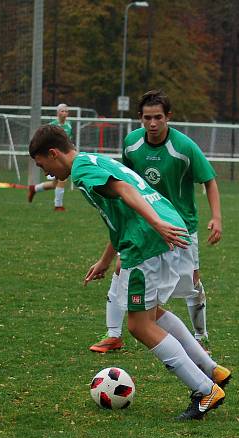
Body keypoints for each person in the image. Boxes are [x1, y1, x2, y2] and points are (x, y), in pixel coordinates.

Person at [28, 124, 226, 420]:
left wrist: (156, 224)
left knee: (138, 325)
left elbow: (125, 190)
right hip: (155, 231)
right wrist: (106, 259)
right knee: (153, 314)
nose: (45, 172)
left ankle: (204, 389)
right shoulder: (94, 160)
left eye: (41, 164)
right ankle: (212, 370)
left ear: (53, 153)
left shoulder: (82, 172)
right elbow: (119, 214)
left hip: (148, 239)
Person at [89, 90, 224, 371]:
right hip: (143, 225)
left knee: (191, 284)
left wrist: (216, 217)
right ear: (139, 118)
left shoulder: (184, 147)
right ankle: (113, 334)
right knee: (121, 266)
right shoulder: (131, 145)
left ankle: (200, 336)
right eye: (147, 118)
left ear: (168, 117)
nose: (152, 124)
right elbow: (123, 181)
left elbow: (209, 180)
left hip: (180, 227)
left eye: (158, 118)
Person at [27, 104, 73, 211]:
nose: (64, 113)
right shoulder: (52, 126)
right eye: (62, 111)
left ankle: (34, 188)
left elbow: (68, 141)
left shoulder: (69, 125)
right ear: (57, 113)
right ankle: (58, 206)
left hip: (63, 155)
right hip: (54, 157)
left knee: (54, 184)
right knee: (62, 180)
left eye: (66, 111)